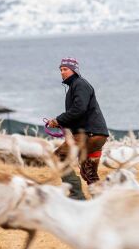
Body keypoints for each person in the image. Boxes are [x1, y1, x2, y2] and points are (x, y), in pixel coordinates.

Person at [47, 57, 109, 200]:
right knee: (89, 174)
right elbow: (79, 112)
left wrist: (58, 120)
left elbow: (79, 109)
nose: (62, 72)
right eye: (61, 70)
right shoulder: (77, 85)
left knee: (58, 157)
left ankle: (77, 195)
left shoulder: (79, 84)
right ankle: (104, 202)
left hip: (87, 134)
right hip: (98, 135)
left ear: (74, 70)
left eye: (65, 69)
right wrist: (61, 123)